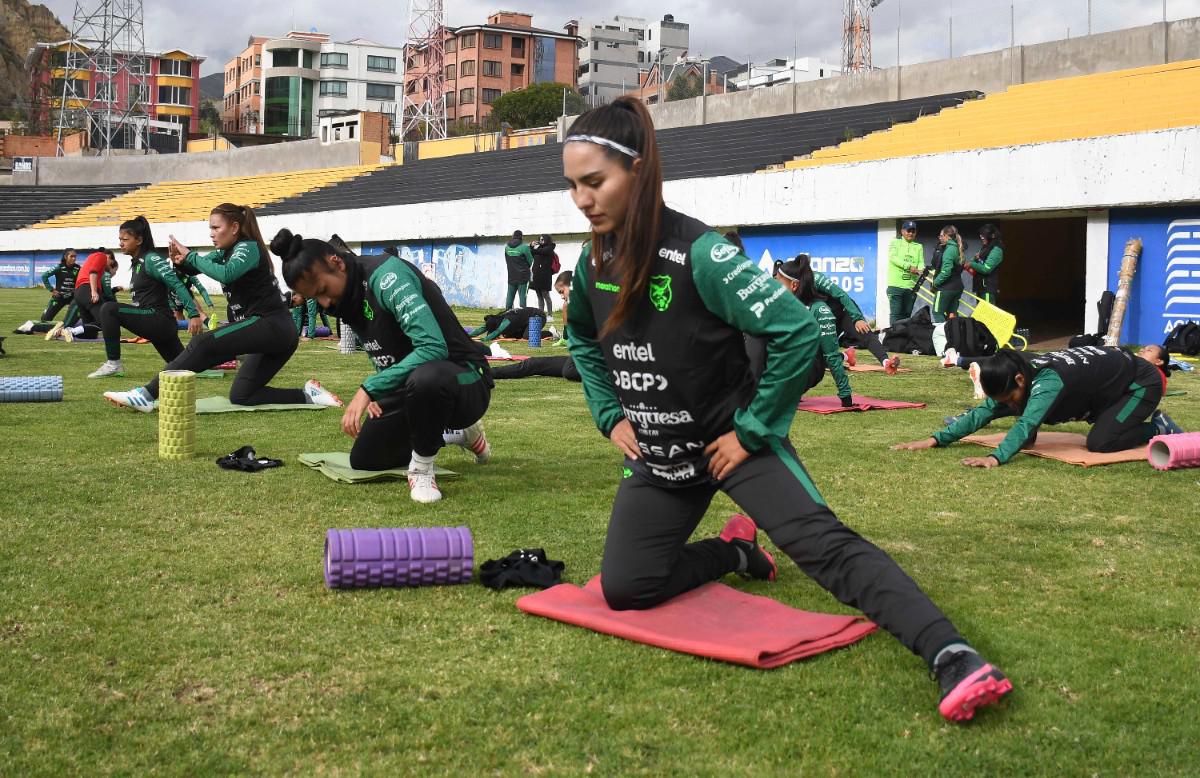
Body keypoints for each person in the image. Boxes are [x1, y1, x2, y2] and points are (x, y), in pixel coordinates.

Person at [563, 96, 1011, 722]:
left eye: (594, 182)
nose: (582, 199)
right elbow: (582, 338)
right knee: (626, 588)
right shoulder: (593, 261)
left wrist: (752, 430)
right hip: (662, 455)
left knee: (821, 546)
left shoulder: (702, 254)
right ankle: (735, 554)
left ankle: (951, 654)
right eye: (572, 186)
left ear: (638, 174)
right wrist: (610, 413)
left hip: (733, 444)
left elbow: (797, 330)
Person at [274, 228, 493, 504]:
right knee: (366, 458)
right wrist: (382, 384)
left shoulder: (388, 277)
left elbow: (432, 347)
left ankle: (422, 469)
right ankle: (457, 434)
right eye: (315, 299)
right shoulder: (346, 296)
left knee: (427, 379)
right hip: (411, 385)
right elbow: (379, 342)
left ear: (337, 263)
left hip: (464, 378)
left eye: (323, 291)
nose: (325, 303)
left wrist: (371, 389)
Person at [102, 203, 342, 413]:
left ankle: (146, 395)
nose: (212, 234)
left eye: (216, 228)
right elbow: (199, 266)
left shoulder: (247, 248)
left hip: (273, 325)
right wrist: (182, 261)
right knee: (242, 395)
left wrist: (191, 258)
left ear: (235, 228)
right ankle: (309, 394)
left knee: (202, 343)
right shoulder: (225, 251)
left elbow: (226, 273)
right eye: (210, 229)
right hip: (268, 331)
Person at [892, 345, 1181, 467]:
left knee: (1101, 441)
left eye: (1008, 398)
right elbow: (985, 411)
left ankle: (1156, 426)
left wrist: (995, 458)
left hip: (1139, 384)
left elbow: (1027, 423)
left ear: (1020, 379)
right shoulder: (1019, 374)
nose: (1006, 406)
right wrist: (934, 440)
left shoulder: (1048, 381)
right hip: (1107, 381)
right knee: (1025, 427)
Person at [88, 216, 202, 379]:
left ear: (139, 240)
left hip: (159, 321)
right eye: (120, 239)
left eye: (125, 239)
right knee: (185, 369)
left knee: (108, 309)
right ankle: (217, 356)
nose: (121, 243)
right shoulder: (137, 262)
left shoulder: (151, 259)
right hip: (157, 324)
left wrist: (194, 314)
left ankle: (114, 363)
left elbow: (177, 284)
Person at [778, 255, 899, 374]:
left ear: (793, 282)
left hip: (843, 311)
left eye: (779, 281)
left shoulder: (816, 279)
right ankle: (846, 355)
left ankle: (886, 362)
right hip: (825, 319)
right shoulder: (789, 294)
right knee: (816, 359)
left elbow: (842, 295)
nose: (777, 285)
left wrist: (857, 318)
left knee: (864, 333)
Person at [761, 257, 853, 406]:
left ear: (794, 285)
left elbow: (831, 355)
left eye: (778, 280)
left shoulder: (820, 310)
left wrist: (846, 396)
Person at [70, 248, 115, 336]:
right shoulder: (102, 256)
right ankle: (72, 331)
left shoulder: (91, 258)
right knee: (106, 320)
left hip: (79, 292)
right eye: (112, 261)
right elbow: (93, 272)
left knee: (90, 334)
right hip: (88, 289)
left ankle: (64, 332)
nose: (111, 264)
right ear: (108, 256)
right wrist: (94, 291)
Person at [886, 220, 924, 324]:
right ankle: (893, 338)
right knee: (896, 314)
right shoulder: (895, 242)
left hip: (911, 286)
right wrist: (908, 266)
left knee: (907, 315)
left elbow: (921, 262)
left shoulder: (918, 246)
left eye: (913, 231)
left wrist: (920, 269)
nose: (910, 233)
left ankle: (903, 338)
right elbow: (893, 258)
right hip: (895, 285)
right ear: (902, 231)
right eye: (908, 230)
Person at [931, 225, 966, 323]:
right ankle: (955, 336)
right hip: (957, 287)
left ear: (946, 236)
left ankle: (944, 337)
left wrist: (935, 283)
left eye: (941, 236)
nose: (940, 238)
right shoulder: (958, 248)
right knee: (952, 314)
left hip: (945, 288)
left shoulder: (949, 250)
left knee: (937, 312)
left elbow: (946, 271)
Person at [39, 249, 81, 330]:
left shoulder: (78, 268)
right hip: (59, 297)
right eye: (71, 256)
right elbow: (44, 276)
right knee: (44, 320)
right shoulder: (59, 267)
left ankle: (73, 328)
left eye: (75, 256)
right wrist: (51, 290)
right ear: (65, 257)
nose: (74, 258)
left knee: (81, 312)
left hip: (72, 297)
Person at [468, 306, 545, 344]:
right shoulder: (495, 318)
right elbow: (482, 328)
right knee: (511, 336)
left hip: (538, 316)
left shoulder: (506, 322)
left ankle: (551, 333)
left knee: (527, 338)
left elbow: (497, 332)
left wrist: (483, 340)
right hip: (525, 320)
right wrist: (467, 336)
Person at [969, 223, 1004, 304]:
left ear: (992, 236)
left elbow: (986, 269)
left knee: (987, 315)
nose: (981, 236)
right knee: (980, 315)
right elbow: (976, 261)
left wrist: (971, 264)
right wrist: (975, 260)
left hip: (987, 289)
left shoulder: (996, 249)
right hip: (980, 288)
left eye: (984, 234)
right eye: (981, 234)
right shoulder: (985, 247)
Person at [530, 234, 558, 322]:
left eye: (542, 239)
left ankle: (550, 315)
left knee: (546, 294)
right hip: (536, 275)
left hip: (545, 276)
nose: (541, 241)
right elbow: (531, 252)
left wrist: (536, 248)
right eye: (540, 239)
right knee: (539, 295)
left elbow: (542, 251)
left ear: (546, 240)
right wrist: (531, 245)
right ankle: (541, 314)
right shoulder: (538, 248)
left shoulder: (550, 248)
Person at [503, 229, 533, 309]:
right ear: (521, 237)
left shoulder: (507, 248)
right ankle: (523, 315)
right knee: (522, 298)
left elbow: (507, 261)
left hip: (511, 275)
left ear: (513, 236)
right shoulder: (525, 248)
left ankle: (507, 314)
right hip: (523, 277)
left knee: (510, 297)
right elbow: (531, 262)